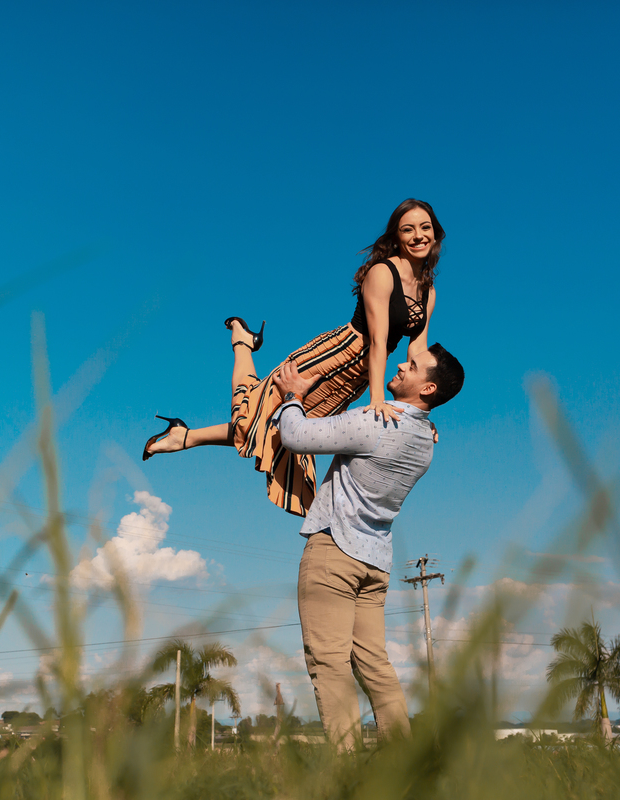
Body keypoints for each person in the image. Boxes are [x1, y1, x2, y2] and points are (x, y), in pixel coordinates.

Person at [143, 198, 445, 516]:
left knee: (277, 429)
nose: (418, 235)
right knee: (262, 419)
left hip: (355, 376)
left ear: (435, 233)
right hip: (334, 356)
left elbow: (417, 351)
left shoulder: (428, 290)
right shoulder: (383, 272)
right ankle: (237, 354)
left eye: (425, 228)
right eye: (408, 229)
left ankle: (190, 426)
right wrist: (377, 399)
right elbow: (379, 340)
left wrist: (419, 413)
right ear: (396, 236)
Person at [270, 343, 464, 749]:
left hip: (335, 554)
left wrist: (292, 396)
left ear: (427, 388)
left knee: (329, 662)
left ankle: (345, 771)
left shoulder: (375, 422)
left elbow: (295, 436)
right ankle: (401, 765)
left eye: (411, 367)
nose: (399, 365)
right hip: (374, 564)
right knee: (375, 666)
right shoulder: (426, 441)